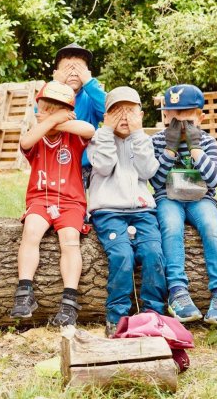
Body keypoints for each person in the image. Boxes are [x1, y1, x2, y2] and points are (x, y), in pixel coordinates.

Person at [10, 80, 95, 327]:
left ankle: (69, 301)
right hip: (40, 199)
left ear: (66, 114)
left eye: (50, 110)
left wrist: (57, 120)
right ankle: (24, 291)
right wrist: (51, 119)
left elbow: (90, 129)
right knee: (31, 232)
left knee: (70, 240)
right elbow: (25, 142)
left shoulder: (73, 137)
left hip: (71, 202)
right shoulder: (36, 137)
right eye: (42, 109)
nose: (41, 114)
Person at [150, 84, 217, 326]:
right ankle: (177, 291)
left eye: (188, 116)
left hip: (201, 198)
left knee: (212, 228)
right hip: (168, 197)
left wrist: (195, 150)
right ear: (165, 115)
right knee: (171, 227)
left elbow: (215, 180)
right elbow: (154, 181)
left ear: (201, 117)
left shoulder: (208, 142)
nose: (181, 123)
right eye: (175, 116)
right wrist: (170, 150)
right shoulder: (157, 141)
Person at [86, 87, 165, 337]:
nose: (124, 117)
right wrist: (106, 132)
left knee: (153, 253)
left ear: (140, 115)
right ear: (106, 117)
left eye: (130, 111)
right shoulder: (98, 139)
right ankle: (117, 316)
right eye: (117, 111)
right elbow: (104, 166)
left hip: (142, 210)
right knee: (122, 255)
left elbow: (148, 170)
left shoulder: (143, 140)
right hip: (108, 211)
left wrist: (139, 134)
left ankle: (153, 314)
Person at [51, 43, 106, 187]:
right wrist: (56, 85)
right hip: (54, 161)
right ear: (56, 73)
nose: (74, 73)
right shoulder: (48, 94)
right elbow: (41, 115)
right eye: (67, 69)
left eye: (79, 69)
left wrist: (90, 83)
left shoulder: (91, 95)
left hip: (86, 164)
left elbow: (109, 112)